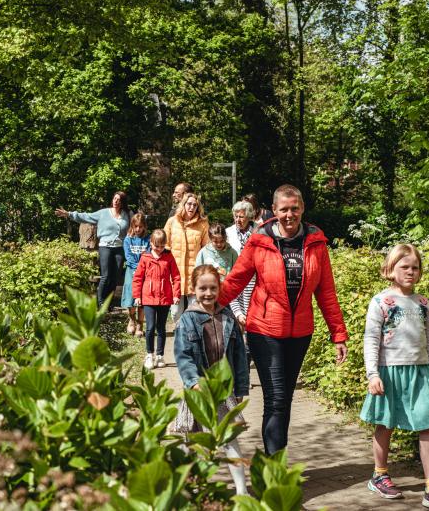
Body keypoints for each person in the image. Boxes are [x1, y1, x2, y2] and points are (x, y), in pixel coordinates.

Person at [218, 184, 348, 454]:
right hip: (264, 330)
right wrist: (207, 305)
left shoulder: (316, 243)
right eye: (284, 209)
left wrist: (338, 334)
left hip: (300, 333)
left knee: (285, 399)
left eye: (295, 208)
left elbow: (326, 293)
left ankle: (275, 461)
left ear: (302, 208)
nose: (290, 214)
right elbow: (236, 280)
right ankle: (274, 466)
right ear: (273, 210)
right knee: (275, 399)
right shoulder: (259, 241)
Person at [360, 244, 429, 510]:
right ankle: (380, 475)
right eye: (404, 267)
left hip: (421, 372)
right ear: (390, 270)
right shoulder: (381, 302)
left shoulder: (423, 303)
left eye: (415, 267)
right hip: (389, 372)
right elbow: (371, 340)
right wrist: (373, 374)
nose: (411, 272)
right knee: (385, 423)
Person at [173, 264, 250, 496]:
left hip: (223, 391)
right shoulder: (187, 320)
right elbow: (182, 355)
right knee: (193, 441)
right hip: (198, 389)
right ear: (193, 289)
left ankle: (242, 491)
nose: (208, 293)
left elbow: (239, 357)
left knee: (230, 439)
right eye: (202, 288)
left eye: (213, 288)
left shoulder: (228, 317)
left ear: (219, 288)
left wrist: (240, 388)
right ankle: (187, 487)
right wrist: (194, 382)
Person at [55, 191, 130, 308]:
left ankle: (109, 303)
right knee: (105, 275)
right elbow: (86, 216)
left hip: (119, 248)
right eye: (115, 199)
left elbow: (137, 222)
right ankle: (100, 303)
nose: (116, 201)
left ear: (123, 202)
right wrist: (69, 214)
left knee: (115, 277)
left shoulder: (127, 214)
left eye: (119, 200)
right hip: (105, 247)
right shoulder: (103, 213)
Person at [132, 229, 181, 370]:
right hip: (148, 298)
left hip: (165, 298)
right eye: (156, 246)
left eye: (162, 246)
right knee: (150, 327)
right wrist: (137, 296)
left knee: (161, 328)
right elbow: (138, 278)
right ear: (151, 243)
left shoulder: (169, 257)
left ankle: (160, 355)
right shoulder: (145, 257)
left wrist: (176, 294)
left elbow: (176, 277)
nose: (159, 249)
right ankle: (149, 354)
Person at [164, 192, 209, 320]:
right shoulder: (172, 222)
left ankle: (191, 338)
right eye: (189, 204)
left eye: (195, 205)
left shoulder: (203, 224)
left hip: (194, 274)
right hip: (175, 274)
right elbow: (165, 246)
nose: (191, 207)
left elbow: (207, 249)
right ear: (183, 205)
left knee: (194, 312)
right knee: (175, 313)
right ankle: (179, 333)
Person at [225, 200, 256, 328]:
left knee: (252, 313)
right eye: (235, 216)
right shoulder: (228, 232)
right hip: (235, 275)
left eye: (241, 217)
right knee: (236, 316)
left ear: (248, 217)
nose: (237, 219)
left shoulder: (258, 231)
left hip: (254, 277)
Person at [122, 213, 150, 336]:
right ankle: (132, 320)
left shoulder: (148, 239)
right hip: (131, 271)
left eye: (140, 226)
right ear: (132, 226)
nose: (138, 229)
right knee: (131, 296)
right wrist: (137, 268)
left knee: (142, 298)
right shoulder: (128, 240)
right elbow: (128, 257)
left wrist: (141, 268)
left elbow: (148, 255)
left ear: (144, 226)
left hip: (145, 271)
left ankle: (140, 324)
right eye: (135, 226)